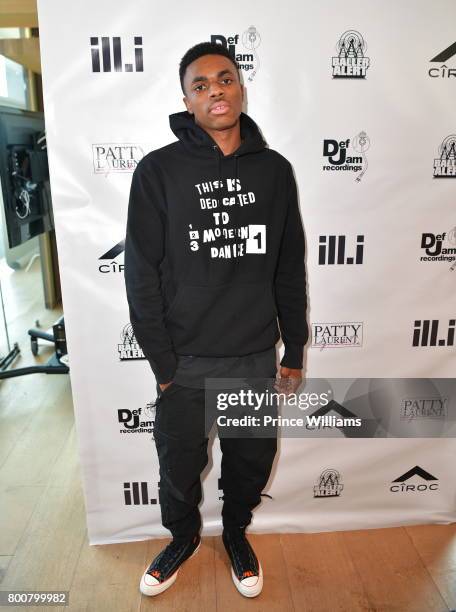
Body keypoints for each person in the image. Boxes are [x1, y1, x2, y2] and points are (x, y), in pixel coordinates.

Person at [124, 41, 308, 599]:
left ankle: (234, 534)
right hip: (185, 359)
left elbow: (288, 266)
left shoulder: (275, 171)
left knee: (250, 461)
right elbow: (141, 273)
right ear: (187, 99)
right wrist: (162, 362)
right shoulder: (158, 171)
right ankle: (181, 538)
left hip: (253, 354)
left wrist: (293, 351)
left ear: (241, 87)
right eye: (200, 85)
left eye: (223, 79)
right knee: (178, 466)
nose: (214, 91)